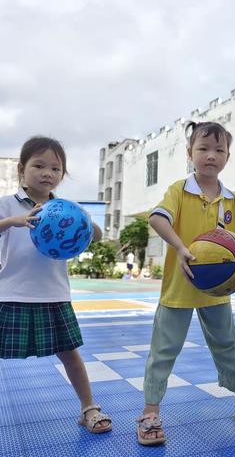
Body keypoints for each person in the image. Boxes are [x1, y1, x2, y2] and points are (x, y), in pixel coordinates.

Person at [136, 121, 235, 446]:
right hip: (179, 289)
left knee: (228, 347)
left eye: (219, 150)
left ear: (228, 156)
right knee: (163, 351)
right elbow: (157, 217)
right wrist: (180, 248)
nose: (211, 156)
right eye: (203, 149)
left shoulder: (232, 200)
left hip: (218, 292)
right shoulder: (179, 190)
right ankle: (150, 413)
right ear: (189, 153)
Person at [0, 135, 112, 434]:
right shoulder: (8, 205)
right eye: (39, 165)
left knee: (70, 354)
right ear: (22, 169)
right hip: (11, 293)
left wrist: (86, 220)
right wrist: (14, 221)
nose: (47, 173)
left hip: (53, 294)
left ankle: (89, 408)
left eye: (55, 168)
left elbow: (97, 236)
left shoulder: (64, 208)